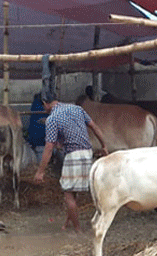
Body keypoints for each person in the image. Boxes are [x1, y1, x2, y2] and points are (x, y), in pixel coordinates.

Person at [33, 91, 108, 233]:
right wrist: (104, 146)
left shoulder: (52, 118)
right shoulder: (77, 109)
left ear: (45, 103)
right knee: (74, 192)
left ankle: (77, 230)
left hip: (73, 155)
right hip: (87, 153)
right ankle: (67, 223)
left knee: (68, 194)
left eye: (43, 106)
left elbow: (49, 147)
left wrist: (40, 171)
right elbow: (95, 127)